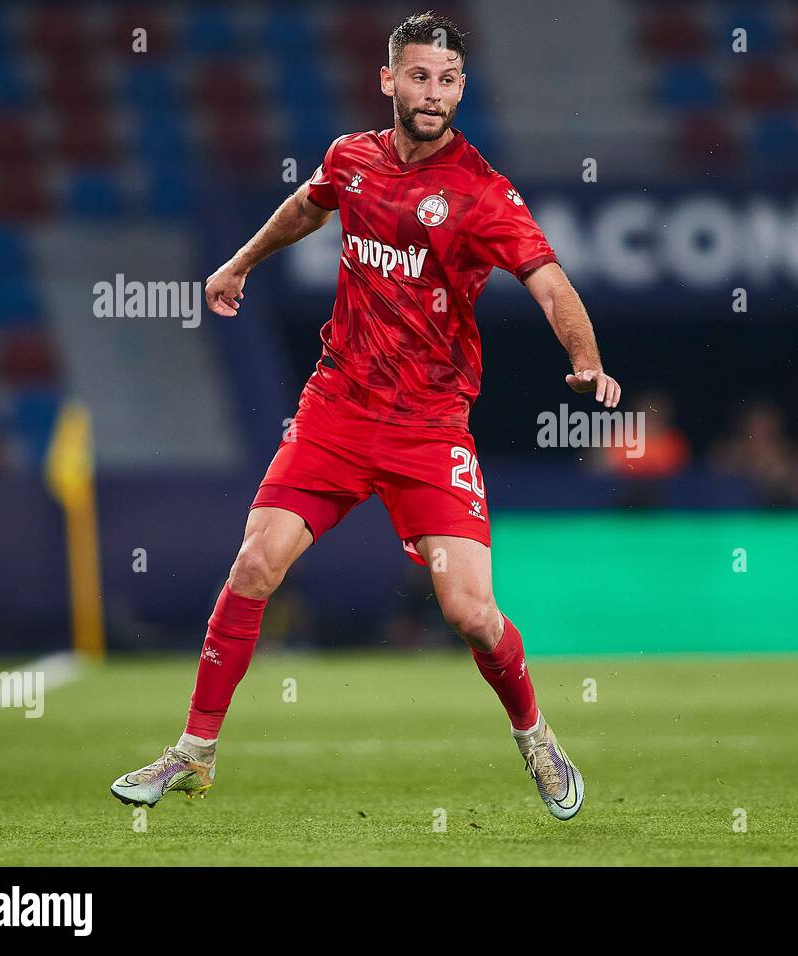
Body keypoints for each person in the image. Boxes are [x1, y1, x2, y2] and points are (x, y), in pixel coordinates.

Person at [110, 13, 621, 821]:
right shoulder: (351, 159)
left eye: (449, 80)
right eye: (419, 77)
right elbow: (309, 207)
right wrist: (240, 263)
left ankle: (534, 732)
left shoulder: (481, 192)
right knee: (254, 564)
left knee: (471, 615)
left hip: (430, 426)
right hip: (336, 410)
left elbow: (550, 282)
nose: (434, 94)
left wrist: (585, 357)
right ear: (389, 80)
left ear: (462, 89)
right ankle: (195, 751)